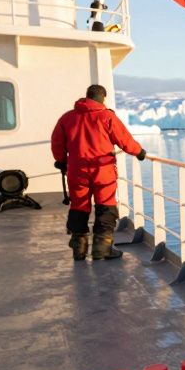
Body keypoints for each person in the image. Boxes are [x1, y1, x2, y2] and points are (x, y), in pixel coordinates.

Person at [51, 84, 146, 261]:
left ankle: (79, 249)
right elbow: (124, 140)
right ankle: (102, 249)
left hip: (77, 170)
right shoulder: (106, 116)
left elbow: (57, 142)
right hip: (102, 170)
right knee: (105, 206)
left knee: (79, 205)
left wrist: (61, 161)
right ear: (102, 98)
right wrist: (139, 152)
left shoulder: (67, 117)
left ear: (86, 97)